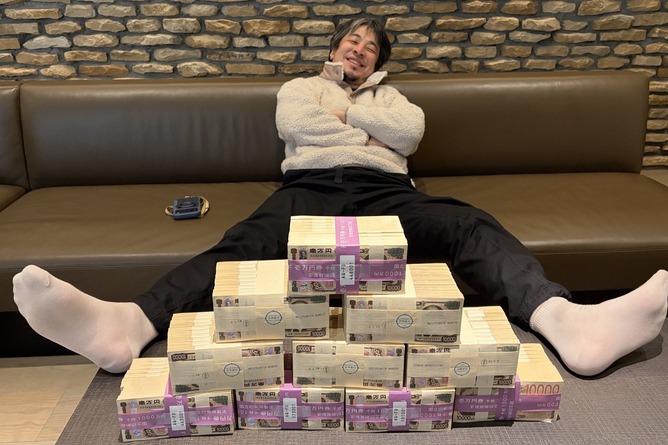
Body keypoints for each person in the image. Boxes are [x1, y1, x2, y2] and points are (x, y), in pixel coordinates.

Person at [13, 18, 668, 377]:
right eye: (352, 40)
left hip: (389, 191)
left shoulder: (394, 98)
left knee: (471, 225)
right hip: (309, 187)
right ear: (335, 49)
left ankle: (569, 323)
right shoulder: (301, 88)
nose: (360, 48)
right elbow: (296, 126)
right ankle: (129, 325)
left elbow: (409, 134)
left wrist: (354, 115)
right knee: (244, 244)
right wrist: (359, 124)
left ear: (379, 62)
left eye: (370, 46)